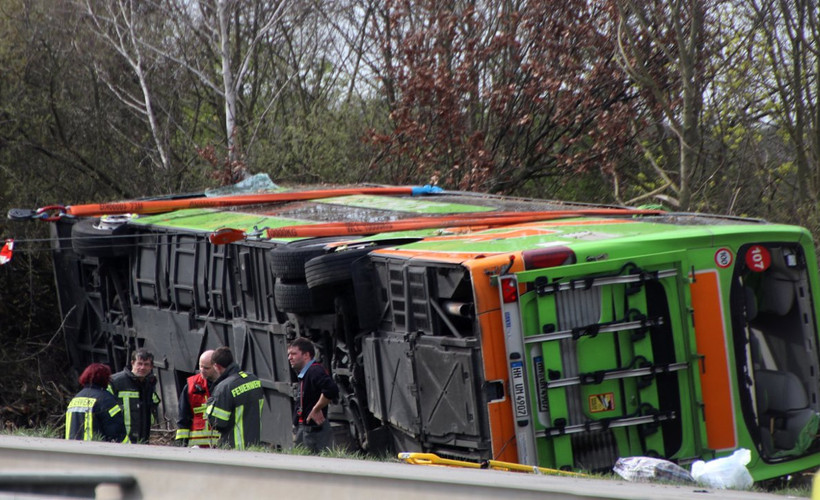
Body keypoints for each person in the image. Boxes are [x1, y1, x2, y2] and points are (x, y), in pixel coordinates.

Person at [205, 347, 264, 450]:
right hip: (255, 445)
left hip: (235, 448)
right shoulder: (253, 379)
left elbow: (217, 423)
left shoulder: (224, 388)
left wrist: (210, 404)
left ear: (217, 366)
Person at [287, 337, 339, 453]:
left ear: (306, 355)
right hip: (304, 431)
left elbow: (331, 389)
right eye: (289, 354)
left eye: (294, 354)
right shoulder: (305, 373)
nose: (290, 357)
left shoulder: (314, 371)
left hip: (315, 433)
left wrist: (316, 409)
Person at [108, 348, 160, 444]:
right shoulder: (116, 382)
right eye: (139, 363)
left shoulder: (148, 384)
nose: (142, 368)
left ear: (151, 367)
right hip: (121, 440)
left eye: (146, 364)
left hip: (142, 439)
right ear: (132, 363)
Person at [66, 363, 127, 442]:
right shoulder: (106, 400)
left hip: (73, 450)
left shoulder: (75, 399)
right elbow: (117, 432)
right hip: (96, 450)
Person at [175, 350, 220, 447]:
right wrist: (182, 444)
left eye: (206, 368)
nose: (202, 370)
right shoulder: (191, 385)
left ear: (216, 366)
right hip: (197, 447)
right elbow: (183, 418)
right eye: (200, 366)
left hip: (222, 446)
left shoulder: (227, 385)